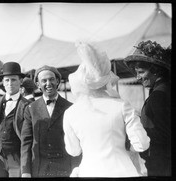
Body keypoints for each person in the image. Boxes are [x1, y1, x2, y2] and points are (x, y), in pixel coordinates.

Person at [63, 42, 150, 177]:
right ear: (106, 80)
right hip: (122, 171)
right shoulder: (121, 105)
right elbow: (141, 144)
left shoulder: (70, 113)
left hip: (89, 171)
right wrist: (128, 148)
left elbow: (73, 151)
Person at [20, 65, 81, 177]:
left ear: (57, 81)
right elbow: (26, 143)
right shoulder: (30, 109)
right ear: (38, 85)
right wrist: (25, 171)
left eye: (51, 79)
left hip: (64, 169)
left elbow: (77, 142)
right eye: (44, 81)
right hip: (39, 169)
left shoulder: (71, 108)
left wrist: (76, 168)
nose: (48, 83)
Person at [124, 40, 171, 176]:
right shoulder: (162, 89)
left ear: (156, 71)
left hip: (163, 163)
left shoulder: (159, 95)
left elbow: (165, 134)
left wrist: (137, 129)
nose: (138, 77)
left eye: (141, 72)